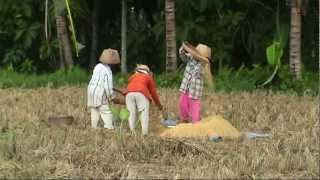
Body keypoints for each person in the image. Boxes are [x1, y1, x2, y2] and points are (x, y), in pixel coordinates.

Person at [87, 48, 124, 129]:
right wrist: (112, 98)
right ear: (112, 63)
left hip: (91, 90)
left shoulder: (97, 66)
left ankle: (94, 127)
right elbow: (107, 87)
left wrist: (115, 90)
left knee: (95, 109)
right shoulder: (108, 71)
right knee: (106, 110)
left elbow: (100, 81)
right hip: (99, 92)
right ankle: (109, 127)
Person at [178, 42, 212, 124]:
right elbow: (183, 56)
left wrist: (199, 56)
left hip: (195, 91)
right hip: (186, 87)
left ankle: (195, 123)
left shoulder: (203, 64)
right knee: (182, 104)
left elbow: (204, 61)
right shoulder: (190, 58)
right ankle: (184, 119)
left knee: (194, 107)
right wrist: (183, 48)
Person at [124, 64, 163, 135]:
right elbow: (153, 93)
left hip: (128, 94)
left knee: (131, 113)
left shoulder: (132, 77)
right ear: (147, 71)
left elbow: (130, 86)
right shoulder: (148, 77)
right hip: (141, 94)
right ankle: (144, 133)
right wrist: (158, 105)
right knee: (144, 114)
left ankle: (132, 132)